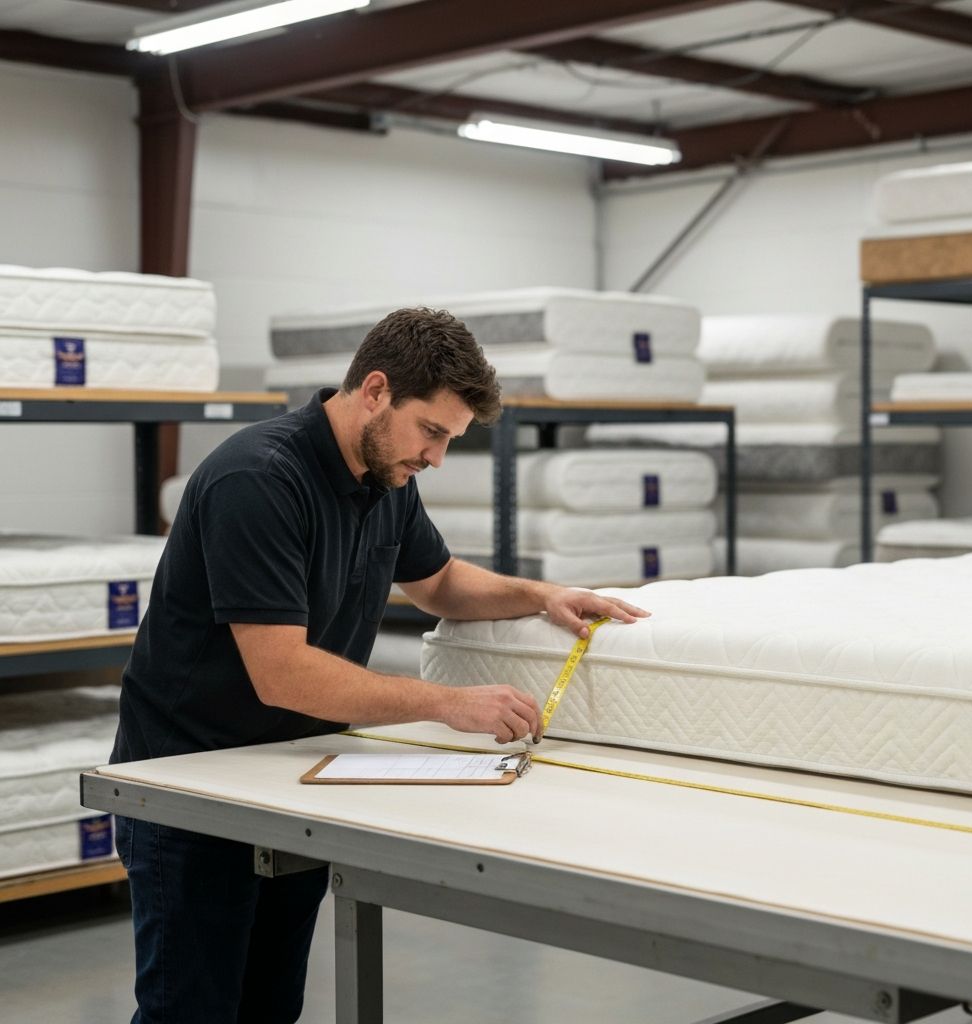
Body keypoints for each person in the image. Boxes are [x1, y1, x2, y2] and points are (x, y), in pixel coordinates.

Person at [110, 306, 648, 1023]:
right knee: (194, 1012)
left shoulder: (384, 480)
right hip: (191, 784)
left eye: (450, 441)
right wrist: (448, 703)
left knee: (270, 1008)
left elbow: (439, 582)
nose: (436, 458)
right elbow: (283, 672)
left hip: (288, 772)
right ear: (374, 390)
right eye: (432, 432)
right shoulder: (260, 481)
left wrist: (544, 595)